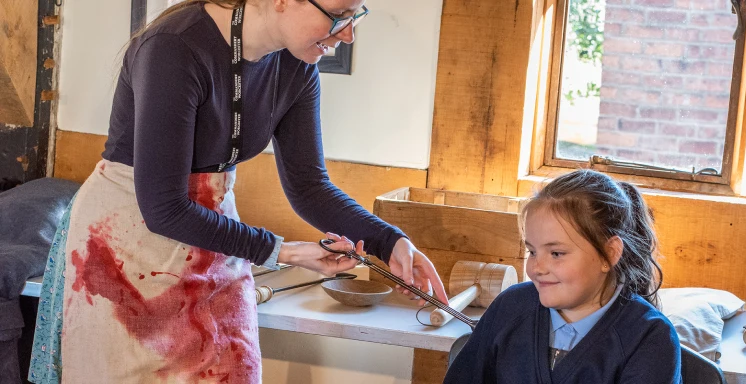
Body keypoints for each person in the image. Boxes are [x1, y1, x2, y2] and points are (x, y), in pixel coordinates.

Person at [28, 1, 447, 383]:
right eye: (339, 14)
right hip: (124, 246)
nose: (349, 33)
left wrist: (389, 241)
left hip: (213, 238)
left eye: (358, 14)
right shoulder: (174, 47)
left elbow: (309, 186)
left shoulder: (297, 66)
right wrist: (282, 251)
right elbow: (164, 209)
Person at [444, 169, 681, 383]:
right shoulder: (510, 307)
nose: (537, 267)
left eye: (556, 253)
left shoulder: (650, 339)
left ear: (609, 254)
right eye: (532, 251)